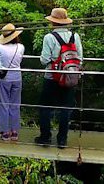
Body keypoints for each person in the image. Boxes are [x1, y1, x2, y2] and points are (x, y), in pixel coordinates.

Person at [35, 8, 83, 148]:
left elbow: (44, 60)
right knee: (66, 108)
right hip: (70, 77)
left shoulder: (49, 37)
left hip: (52, 77)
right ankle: (62, 140)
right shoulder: (75, 36)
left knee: (45, 108)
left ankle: (45, 137)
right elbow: (79, 58)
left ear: (53, 22)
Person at [0, 23, 25, 141]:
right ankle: (14, 131)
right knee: (15, 104)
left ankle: (5, 132)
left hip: (4, 78)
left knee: (3, 104)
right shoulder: (21, 47)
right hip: (17, 76)